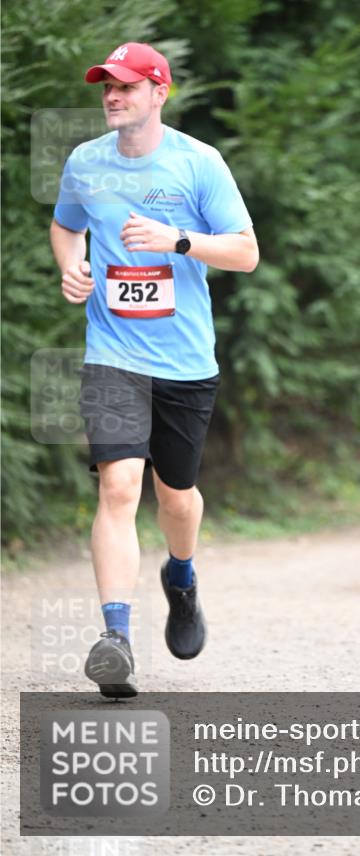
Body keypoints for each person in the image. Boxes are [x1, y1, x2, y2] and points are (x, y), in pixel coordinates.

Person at [50, 42, 258, 696]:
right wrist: (71, 263)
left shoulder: (200, 164)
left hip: (185, 360)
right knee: (118, 488)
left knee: (176, 497)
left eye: (126, 87)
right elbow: (65, 225)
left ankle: (183, 575)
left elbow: (247, 253)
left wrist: (178, 241)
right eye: (106, 88)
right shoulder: (85, 162)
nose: (112, 97)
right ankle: (115, 638)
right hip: (112, 353)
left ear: (158, 93)